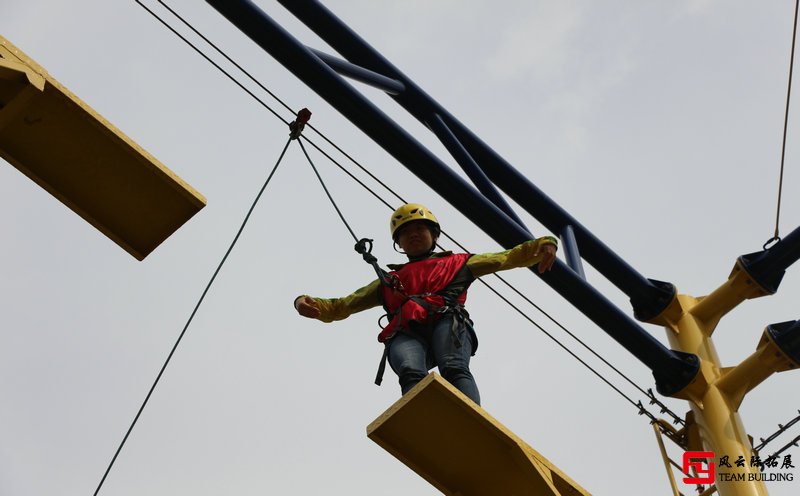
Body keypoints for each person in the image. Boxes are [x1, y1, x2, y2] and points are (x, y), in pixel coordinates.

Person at [294, 203, 557, 405]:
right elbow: (344, 305)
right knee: (410, 371)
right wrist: (306, 303)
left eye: (419, 229)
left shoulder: (458, 262)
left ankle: (470, 418)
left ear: (434, 235)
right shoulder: (389, 281)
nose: (413, 235)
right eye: (406, 233)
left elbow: (505, 257)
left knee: (453, 367)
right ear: (398, 243)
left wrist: (544, 244)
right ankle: (423, 417)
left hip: (446, 320)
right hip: (406, 330)